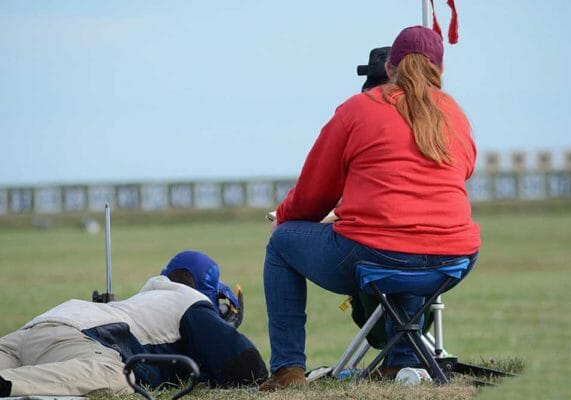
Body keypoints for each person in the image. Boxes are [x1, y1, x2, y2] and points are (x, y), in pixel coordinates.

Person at [259, 25, 480, 391]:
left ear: (390, 66)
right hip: (455, 257)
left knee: (283, 243)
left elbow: (314, 196)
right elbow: (465, 169)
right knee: (407, 245)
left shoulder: (358, 109)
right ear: (439, 71)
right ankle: (402, 362)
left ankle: (288, 370)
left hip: (376, 254)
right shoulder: (454, 113)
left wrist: (284, 216)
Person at [0, 250, 268, 397]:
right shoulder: (190, 302)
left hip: (36, 328)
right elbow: (248, 369)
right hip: (75, 338)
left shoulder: (148, 299)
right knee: (120, 376)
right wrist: (226, 329)